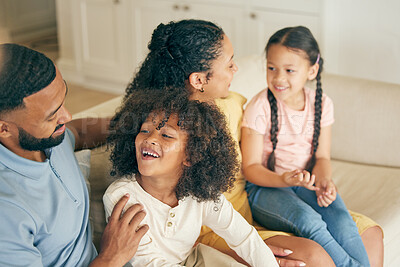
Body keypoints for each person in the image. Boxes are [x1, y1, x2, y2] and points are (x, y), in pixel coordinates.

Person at [123, 19, 383, 266]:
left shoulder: (233, 102)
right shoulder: (165, 125)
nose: (236, 69)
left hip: (254, 206)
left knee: (370, 234)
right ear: (199, 79)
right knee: (312, 258)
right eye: (230, 64)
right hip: (216, 226)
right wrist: (248, 248)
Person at [241, 26, 384, 267]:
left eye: (289, 70)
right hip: (265, 188)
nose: (278, 78)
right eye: (271, 68)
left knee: (341, 219)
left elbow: (322, 157)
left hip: (306, 183)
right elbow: (251, 167)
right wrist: (285, 180)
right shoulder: (260, 107)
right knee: (309, 220)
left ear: (312, 70)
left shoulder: (322, 104)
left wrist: (324, 182)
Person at [0, 43, 148, 266]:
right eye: (52, 116)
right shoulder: (7, 212)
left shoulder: (47, 138)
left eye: (63, 100)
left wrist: (144, 126)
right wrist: (112, 256)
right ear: (4, 129)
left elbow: (76, 132)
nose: (66, 115)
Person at [103, 90, 278, 266]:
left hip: (192, 259)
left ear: (191, 156)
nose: (150, 139)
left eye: (166, 135)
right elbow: (148, 262)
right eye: (145, 130)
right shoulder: (122, 196)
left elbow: (245, 239)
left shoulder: (201, 193)